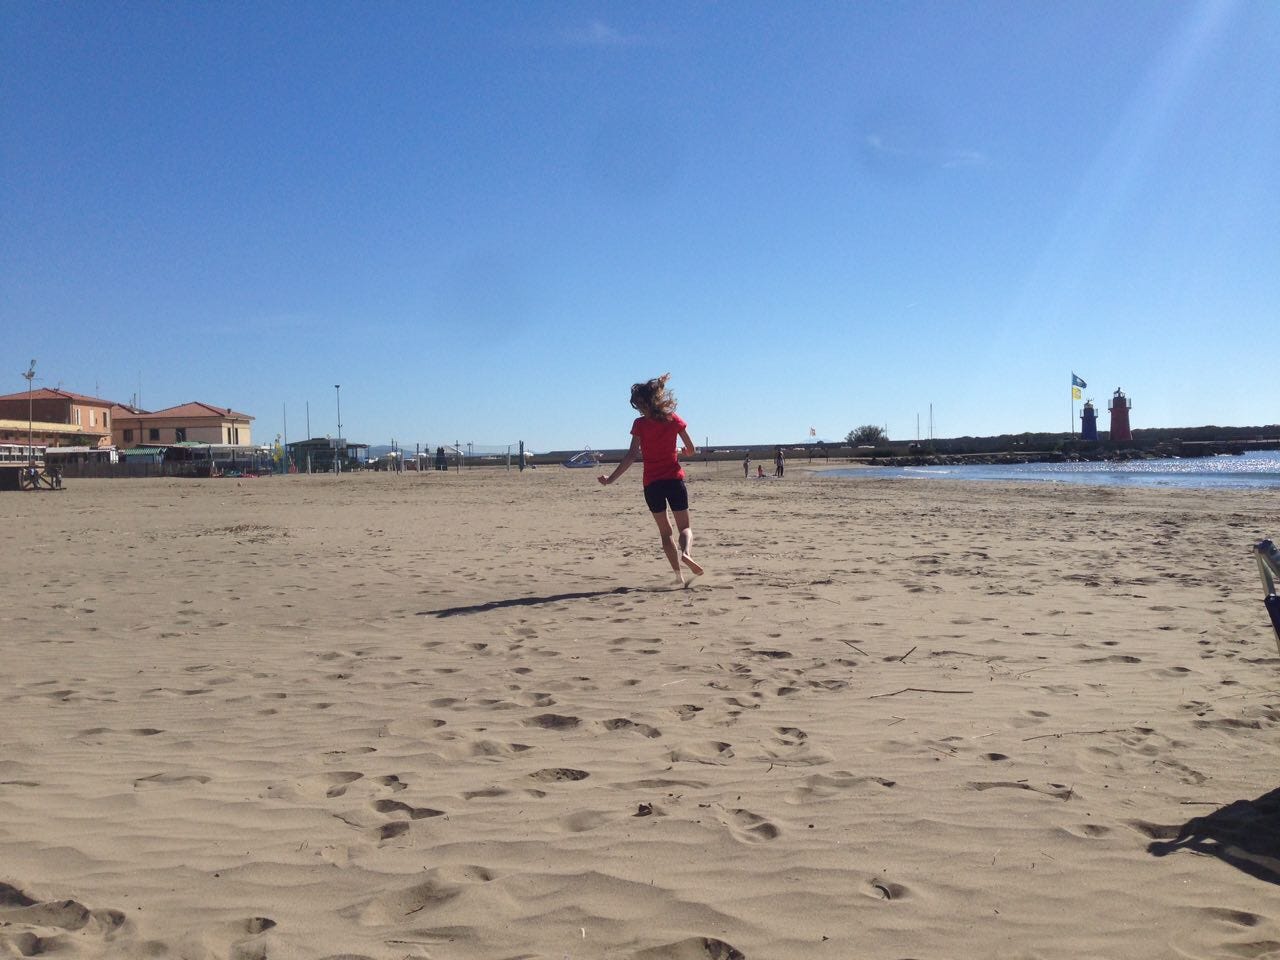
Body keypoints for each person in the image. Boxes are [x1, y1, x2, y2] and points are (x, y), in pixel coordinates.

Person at [599, 373, 704, 587]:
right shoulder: (673, 419)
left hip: (652, 485)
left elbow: (631, 455)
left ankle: (678, 576)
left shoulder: (640, 424)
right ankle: (686, 553)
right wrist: (681, 451)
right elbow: (692, 450)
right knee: (685, 527)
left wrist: (611, 479)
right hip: (674, 481)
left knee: (665, 533)